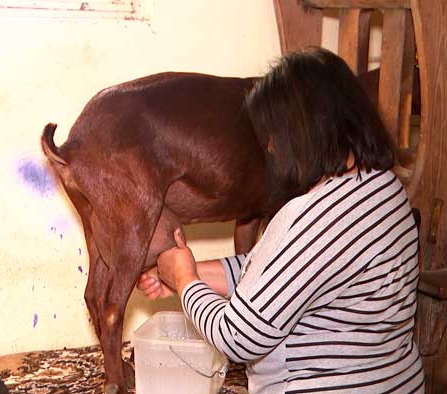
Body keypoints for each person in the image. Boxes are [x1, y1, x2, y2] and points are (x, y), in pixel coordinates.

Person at [137, 48, 424, 394]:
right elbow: (281, 271)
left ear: (303, 131)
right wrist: (194, 272)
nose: (271, 148)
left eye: (274, 135)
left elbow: (238, 337)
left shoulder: (313, 215)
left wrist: (184, 282)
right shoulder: (383, 186)